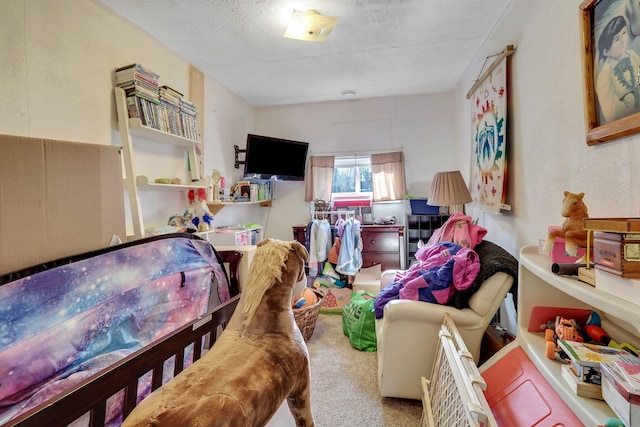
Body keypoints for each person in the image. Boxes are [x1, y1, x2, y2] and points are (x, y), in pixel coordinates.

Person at [596, 15, 640, 123]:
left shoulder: (633, 56)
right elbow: (613, 115)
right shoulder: (604, 77)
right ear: (606, 51)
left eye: (624, 32)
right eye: (617, 39)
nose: (623, 40)